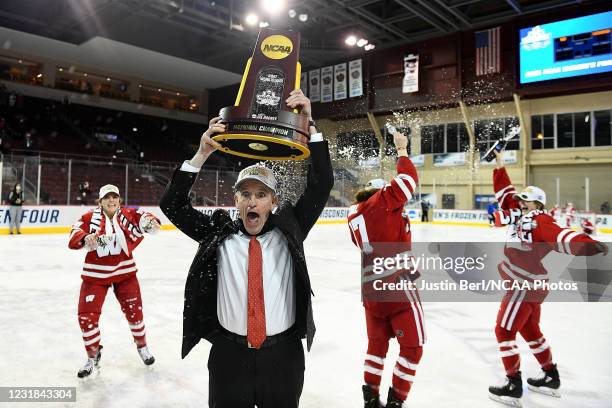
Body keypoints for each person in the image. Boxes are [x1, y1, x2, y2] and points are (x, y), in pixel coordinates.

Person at [160, 89, 333, 408]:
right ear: (236, 200)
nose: (253, 201)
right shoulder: (217, 232)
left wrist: (309, 125)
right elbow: (172, 205)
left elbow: (321, 183)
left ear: (273, 201)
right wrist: (200, 155)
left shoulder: (290, 229)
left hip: (283, 358)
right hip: (229, 356)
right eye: (245, 194)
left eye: (261, 194)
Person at [488, 149, 608, 406]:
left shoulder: (540, 221)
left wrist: (589, 243)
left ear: (537, 204)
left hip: (523, 285)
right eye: (520, 200)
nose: (519, 203)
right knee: (531, 330)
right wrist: (499, 162)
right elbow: (505, 192)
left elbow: (562, 236)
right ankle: (550, 376)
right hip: (533, 285)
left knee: (504, 330)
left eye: (525, 201)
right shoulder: (519, 214)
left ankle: (512, 384)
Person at [347, 130, 423, 408]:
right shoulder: (383, 205)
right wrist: (401, 150)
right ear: (381, 192)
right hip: (398, 287)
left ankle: (370, 400)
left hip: (372, 291)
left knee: (376, 348)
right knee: (412, 348)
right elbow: (407, 181)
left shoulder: (354, 213)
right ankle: (395, 402)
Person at [68, 184, 161, 378]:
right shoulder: (88, 218)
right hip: (95, 276)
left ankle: (142, 347)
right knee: (86, 318)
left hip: (125, 273)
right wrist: (85, 238)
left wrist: (151, 223)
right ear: (100, 202)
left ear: (119, 200)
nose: (111, 200)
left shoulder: (128, 214)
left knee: (135, 313)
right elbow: (73, 235)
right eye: (107, 197)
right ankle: (92, 357)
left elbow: (145, 218)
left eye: (115, 197)